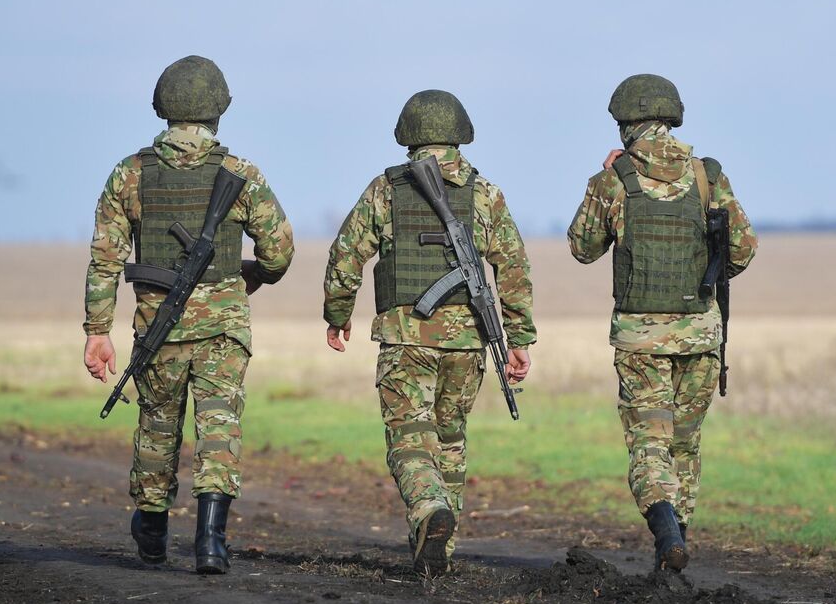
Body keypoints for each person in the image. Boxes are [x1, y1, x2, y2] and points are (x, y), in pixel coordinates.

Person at [82, 55, 294, 574]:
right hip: (223, 329)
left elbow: (105, 259)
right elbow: (280, 250)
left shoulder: (130, 175)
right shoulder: (241, 174)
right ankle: (210, 542)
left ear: (163, 109)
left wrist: (96, 331)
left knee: (157, 427)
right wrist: (251, 276)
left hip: (159, 329)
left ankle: (152, 530)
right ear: (219, 110)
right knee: (219, 428)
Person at [323, 90, 535, 576]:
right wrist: (518, 339)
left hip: (405, 338)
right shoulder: (485, 193)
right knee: (450, 438)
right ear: (461, 133)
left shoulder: (386, 189)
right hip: (467, 343)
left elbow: (345, 257)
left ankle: (428, 510)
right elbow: (515, 270)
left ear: (408, 136)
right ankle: (441, 546)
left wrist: (337, 314)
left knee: (410, 438)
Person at [567, 74, 756, 572]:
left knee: (650, 441)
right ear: (670, 118)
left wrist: (602, 180)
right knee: (685, 445)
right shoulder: (707, 176)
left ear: (626, 124)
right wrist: (705, 272)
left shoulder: (614, 180)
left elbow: (582, 248)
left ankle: (666, 533)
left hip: (641, 340)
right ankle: (676, 544)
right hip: (700, 333)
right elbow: (743, 250)